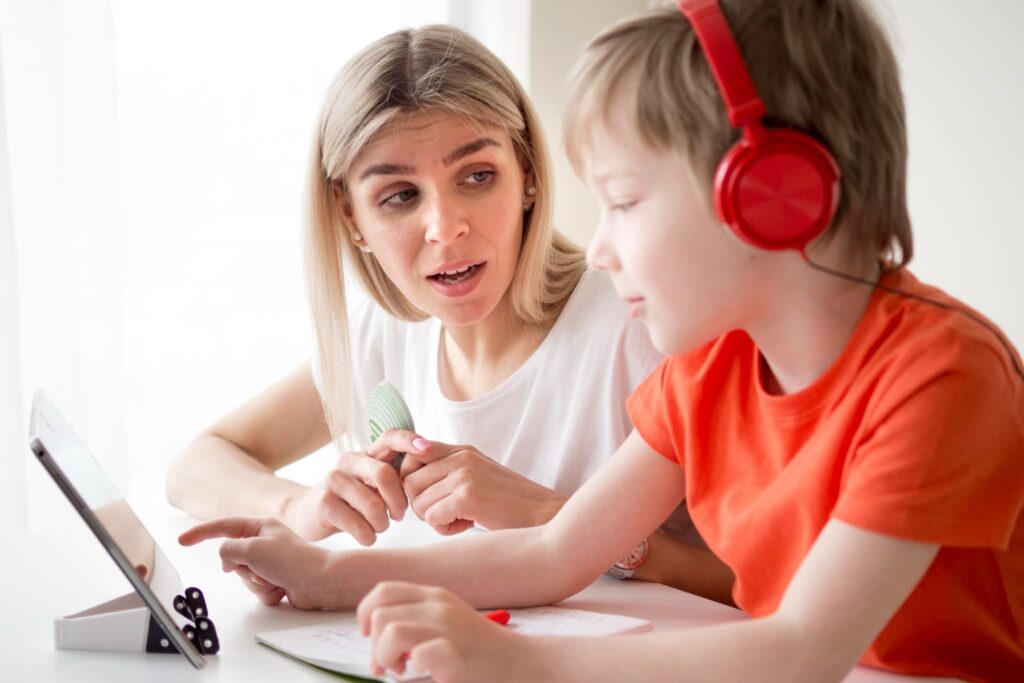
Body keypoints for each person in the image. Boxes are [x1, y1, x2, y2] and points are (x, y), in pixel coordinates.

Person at [180, 1, 1024, 680]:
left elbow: (802, 649)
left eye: (624, 200)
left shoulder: (944, 375)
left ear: (768, 195)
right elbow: (554, 550)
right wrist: (325, 575)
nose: (604, 246)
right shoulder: (710, 365)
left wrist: (522, 663)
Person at [166, 24, 729, 601]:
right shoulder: (384, 334)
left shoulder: (644, 326)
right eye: (400, 196)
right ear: (351, 216)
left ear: (528, 172)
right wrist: (299, 507)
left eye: (477, 177)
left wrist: (557, 517)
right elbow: (195, 465)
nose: (446, 227)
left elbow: (780, 590)